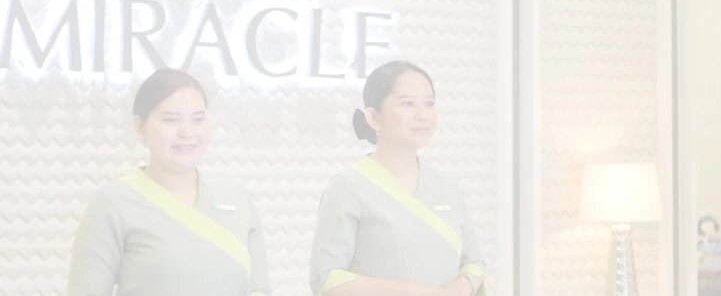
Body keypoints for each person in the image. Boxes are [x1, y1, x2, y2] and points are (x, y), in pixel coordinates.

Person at [67, 68, 271, 296]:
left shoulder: (237, 198)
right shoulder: (112, 203)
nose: (187, 132)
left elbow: (260, 289)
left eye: (198, 119)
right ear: (140, 127)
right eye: (171, 120)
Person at [309, 60, 487, 296]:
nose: (422, 115)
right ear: (374, 117)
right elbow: (327, 278)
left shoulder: (447, 187)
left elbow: (473, 264)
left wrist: (460, 288)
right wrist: (417, 292)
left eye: (429, 104)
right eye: (407, 104)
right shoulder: (347, 187)